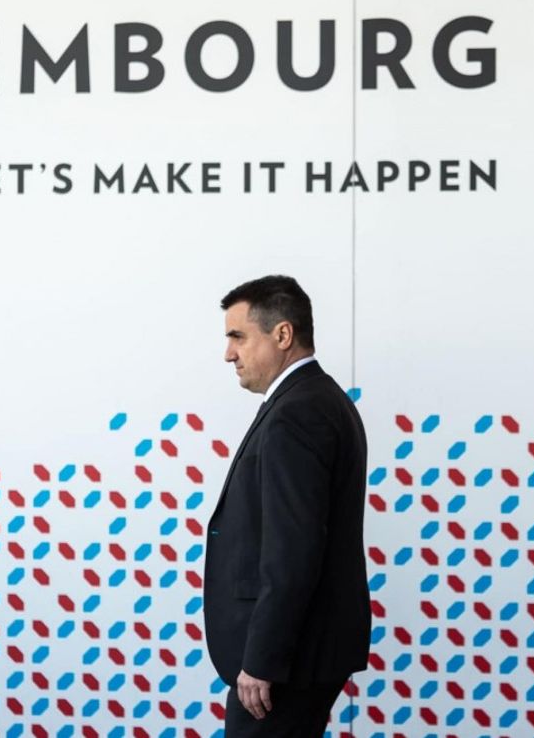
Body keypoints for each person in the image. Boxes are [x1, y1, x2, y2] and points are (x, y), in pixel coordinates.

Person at [204, 274, 371, 736]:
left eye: (238, 336)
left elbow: (293, 550)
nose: (228, 353)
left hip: (287, 661)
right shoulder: (316, 400)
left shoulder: (297, 412)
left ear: (282, 334)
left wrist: (263, 660)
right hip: (300, 654)